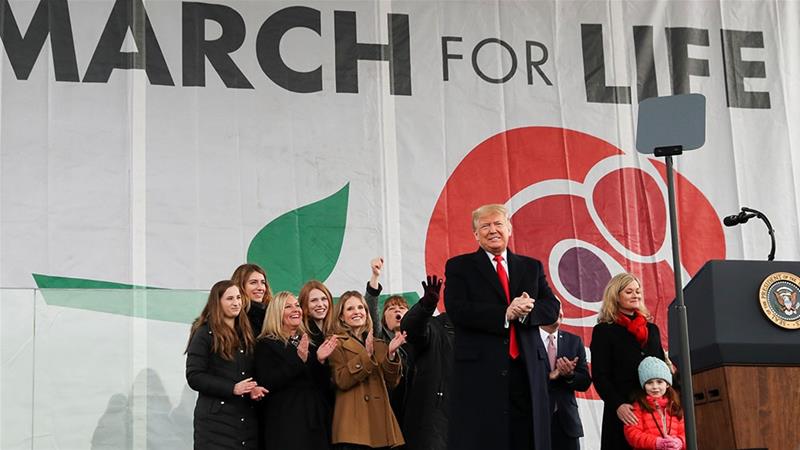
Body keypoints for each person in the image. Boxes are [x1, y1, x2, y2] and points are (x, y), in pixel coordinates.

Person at [444, 203, 560, 450]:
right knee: (486, 437)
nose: (492, 230)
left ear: (509, 228)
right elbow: (456, 309)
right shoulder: (459, 267)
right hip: (481, 370)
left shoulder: (531, 267)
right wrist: (504, 314)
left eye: (498, 224)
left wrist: (527, 311)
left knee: (528, 437)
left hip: (527, 368)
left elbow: (551, 306)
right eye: (485, 226)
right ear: (476, 234)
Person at [185, 280, 267, 449]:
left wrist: (253, 388)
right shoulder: (204, 333)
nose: (236, 302)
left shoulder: (246, 333)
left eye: (238, 297)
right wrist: (232, 388)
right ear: (217, 302)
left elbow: (245, 373)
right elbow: (194, 376)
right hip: (215, 421)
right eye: (230, 298)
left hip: (246, 419)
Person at [252, 291, 339, 450]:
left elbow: (322, 385)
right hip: (287, 425)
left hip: (316, 422)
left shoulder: (308, 341)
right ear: (277, 313)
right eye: (288, 307)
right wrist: (298, 360)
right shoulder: (266, 344)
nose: (296, 310)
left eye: (297, 305)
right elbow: (267, 382)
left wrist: (319, 360)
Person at [591, 273, 667, 450]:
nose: (636, 295)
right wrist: (618, 405)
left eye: (638, 291)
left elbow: (662, 368)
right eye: (629, 291)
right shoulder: (604, 331)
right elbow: (600, 375)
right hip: (623, 411)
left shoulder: (652, 329)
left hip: (652, 410)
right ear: (616, 296)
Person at [328, 290, 407, 449]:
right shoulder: (335, 343)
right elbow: (341, 380)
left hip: (380, 424)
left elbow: (392, 382)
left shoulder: (379, 344)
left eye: (360, 308)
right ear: (341, 316)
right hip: (353, 428)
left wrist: (391, 354)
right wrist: (367, 355)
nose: (357, 312)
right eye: (350, 309)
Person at [399, 275, 454, 450]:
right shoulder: (435, 326)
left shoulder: (482, 333)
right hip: (436, 427)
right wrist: (426, 307)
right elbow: (411, 329)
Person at [364, 257, 412, 433]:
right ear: (384, 318)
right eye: (391, 309)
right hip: (388, 407)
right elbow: (370, 305)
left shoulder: (420, 339)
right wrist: (375, 277)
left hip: (415, 408)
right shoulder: (379, 336)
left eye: (401, 308)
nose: (397, 310)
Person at [538, 307, 592, 450]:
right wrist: (548, 377)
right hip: (536, 421)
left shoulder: (574, 341)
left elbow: (585, 382)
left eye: (561, 308)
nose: (559, 312)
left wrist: (570, 376)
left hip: (567, 423)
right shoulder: (528, 341)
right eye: (554, 307)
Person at [624, 357, 685, 450]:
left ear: (667, 384)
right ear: (643, 385)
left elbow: (686, 432)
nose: (655, 387)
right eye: (649, 383)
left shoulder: (675, 406)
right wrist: (656, 442)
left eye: (659, 382)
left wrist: (679, 442)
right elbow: (632, 433)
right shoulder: (637, 407)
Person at [231, 264, 273, 335]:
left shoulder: (271, 313)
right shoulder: (234, 317)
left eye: (263, 282)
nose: (260, 288)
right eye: (253, 282)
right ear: (240, 286)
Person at [298, 280, 335, 346]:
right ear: (304, 305)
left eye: (324, 299)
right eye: (314, 300)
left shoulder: (336, 331)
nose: (320, 304)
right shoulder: (299, 335)